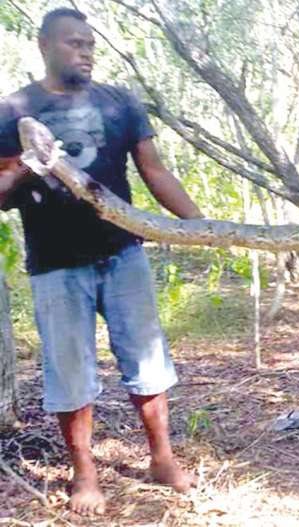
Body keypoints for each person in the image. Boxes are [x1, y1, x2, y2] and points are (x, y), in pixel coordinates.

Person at [0, 8, 202, 515]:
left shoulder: (121, 102)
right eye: (73, 43)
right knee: (70, 371)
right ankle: (84, 472)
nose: (86, 52)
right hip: (55, 264)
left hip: (123, 252)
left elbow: (154, 171)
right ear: (44, 45)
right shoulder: (14, 110)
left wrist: (199, 225)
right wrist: (30, 165)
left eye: (90, 44)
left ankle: (162, 457)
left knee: (147, 360)